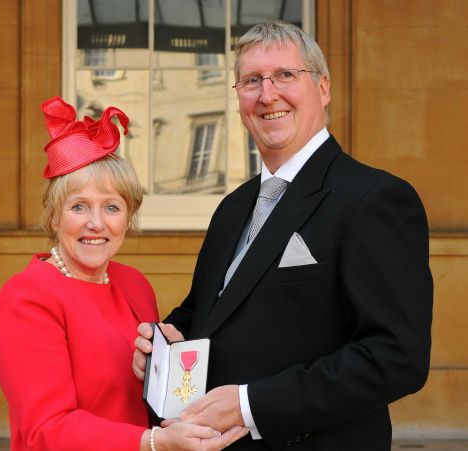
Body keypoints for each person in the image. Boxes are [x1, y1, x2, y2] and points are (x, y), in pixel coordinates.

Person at [133, 20, 433, 451]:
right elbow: (206, 314)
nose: (267, 94)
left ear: (323, 88)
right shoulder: (233, 207)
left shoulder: (375, 199)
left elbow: (395, 357)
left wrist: (250, 405)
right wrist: (167, 343)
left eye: (286, 75)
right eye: (251, 80)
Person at [0, 97, 248, 451]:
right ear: (54, 216)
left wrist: (173, 368)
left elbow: (146, 403)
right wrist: (155, 441)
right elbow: (46, 430)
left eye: (112, 207)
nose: (96, 223)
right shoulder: (27, 298)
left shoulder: (134, 283)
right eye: (79, 206)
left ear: (128, 218)